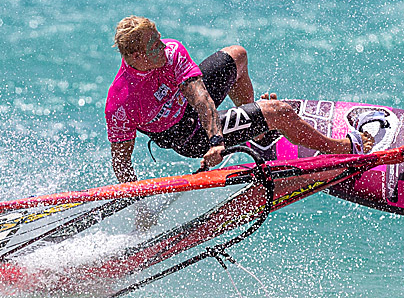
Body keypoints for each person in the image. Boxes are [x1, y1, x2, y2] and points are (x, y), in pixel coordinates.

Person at [105, 16, 374, 184]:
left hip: (199, 114)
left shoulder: (170, 52)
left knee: (237, 55)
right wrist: (138, 209)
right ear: (138, 56)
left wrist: (218, 140)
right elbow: (122, 162)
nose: (164, 45)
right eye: (155, 45)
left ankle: (257, 137)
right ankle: (342, 149)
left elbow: (200, 97)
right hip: (189, 135)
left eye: (160, 38)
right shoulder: (122, 103)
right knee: (280, 112)